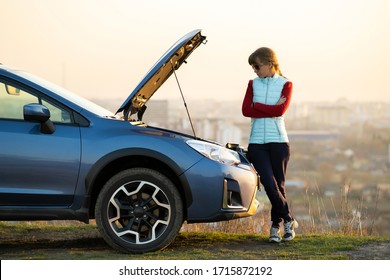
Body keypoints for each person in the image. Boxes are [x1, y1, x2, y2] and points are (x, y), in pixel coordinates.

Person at [241, 47, 298, 243]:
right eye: (252, 67)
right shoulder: (252, 84)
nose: (254, 70)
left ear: (269, 63)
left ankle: (276, 228)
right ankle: (289, 219)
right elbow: (245, 110)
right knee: (268, 183)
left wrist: (257, 106)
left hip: (279, 141)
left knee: (279, 186)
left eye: (256, 66)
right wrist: (268, 110)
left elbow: (280, 111)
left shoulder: (286, 84)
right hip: (257, 143)